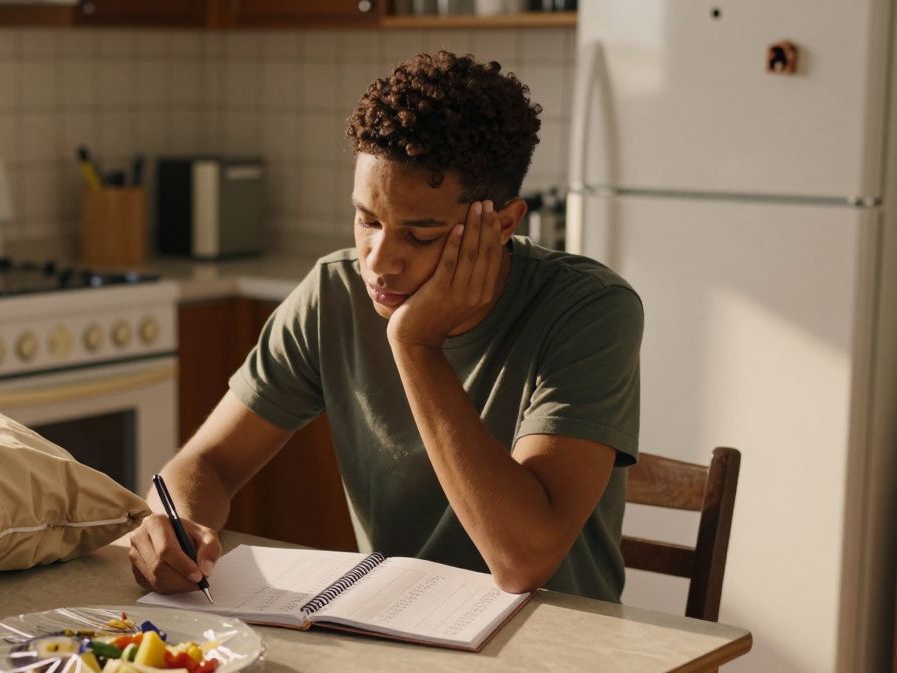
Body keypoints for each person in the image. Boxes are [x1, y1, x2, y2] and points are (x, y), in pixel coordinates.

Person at [129, 51, 643, 603]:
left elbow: (522, 560)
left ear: (503, 224)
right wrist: (175, 526)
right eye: (367, 220)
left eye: (420, 236)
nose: (378, 260)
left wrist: (415, 343)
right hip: (394, 631)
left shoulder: (590, 310)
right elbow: (207, 462)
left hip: (559, 649)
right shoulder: (334, 294)